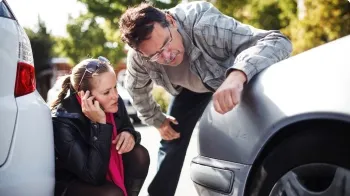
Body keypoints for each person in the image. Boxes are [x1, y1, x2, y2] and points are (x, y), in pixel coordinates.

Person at [119, 1, 292, 196]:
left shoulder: (204, 25)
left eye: (166, 43)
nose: (167, 57)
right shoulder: (139, 58)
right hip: (188, 90)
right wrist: (157, 120)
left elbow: (276, 41)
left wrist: (237, 74)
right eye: (156, 55)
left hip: (229, 78)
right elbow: (136, 90)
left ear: (170, 21)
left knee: (257, 132)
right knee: (171, 138)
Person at [51, 56, 150, 196]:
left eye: (115, 87)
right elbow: (93, 176)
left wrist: (129, 134)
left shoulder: (114, 102)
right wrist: (99, 124)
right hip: (73, 182)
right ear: (84, 96)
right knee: (112, 194)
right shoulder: (63, 120)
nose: (115, 95)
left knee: (139, 154)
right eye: (106, 92)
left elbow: (128, 128)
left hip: (98, 167)